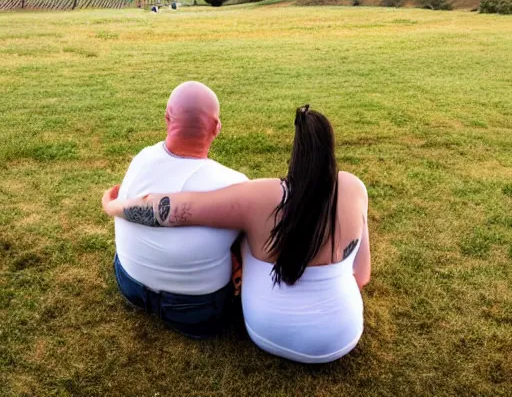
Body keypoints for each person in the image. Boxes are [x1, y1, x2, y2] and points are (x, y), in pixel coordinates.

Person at [103, 105, 370, 363]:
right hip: (342, 338)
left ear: (295, 155)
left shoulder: (261, 196)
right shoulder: (354, 188)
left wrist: (113, 206)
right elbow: (362, 275)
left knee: (244, 231)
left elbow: (171, 210)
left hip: (267, 332)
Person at [111, 81, 248, 339]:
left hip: (129, 283)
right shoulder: (235, 183)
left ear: (166, 118)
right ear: (216, 127)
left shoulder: (143, 158)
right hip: (197, 310)